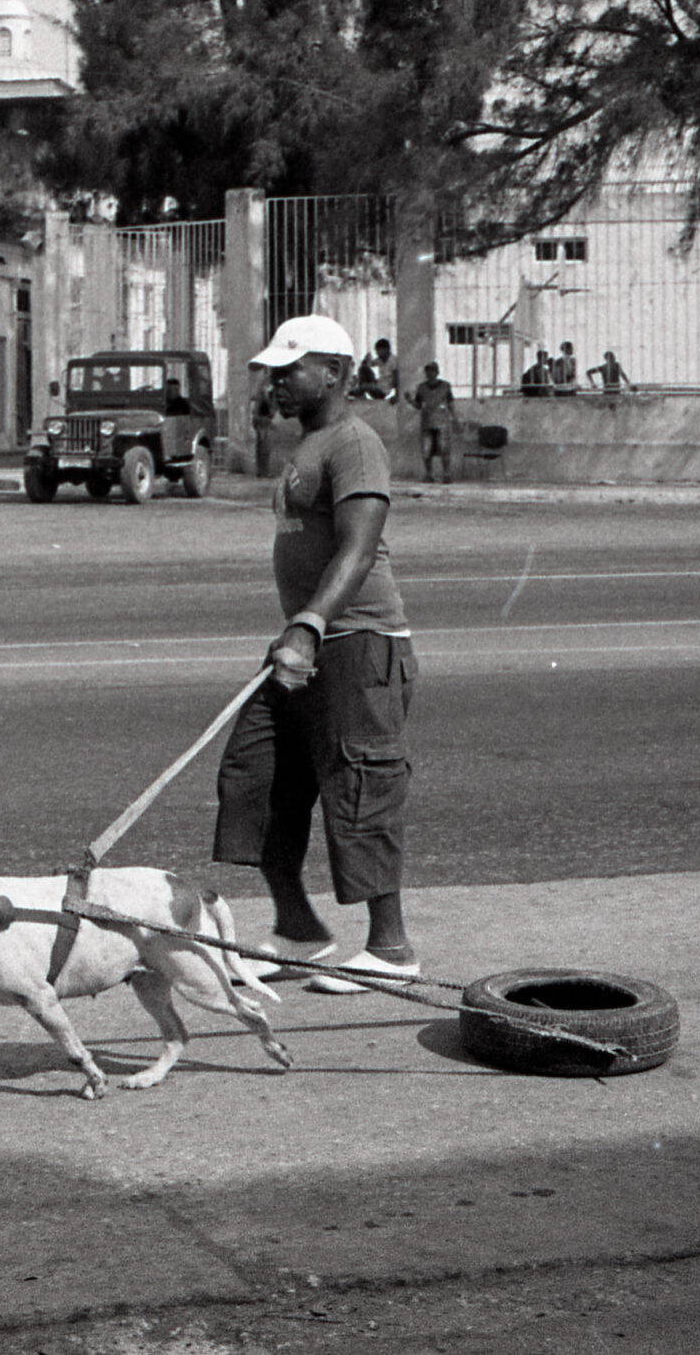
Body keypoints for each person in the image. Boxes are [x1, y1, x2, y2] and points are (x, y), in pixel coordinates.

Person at [214, 312, 420, 994]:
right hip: (303, 646)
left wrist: (307, 624)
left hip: (357, 643)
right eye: (272, 370)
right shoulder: (306, 445)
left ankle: (390, 949)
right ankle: (299, 928)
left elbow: (358, 547)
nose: (275, 381)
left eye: (289, 369)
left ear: (333, 371)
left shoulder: (356, 444)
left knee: (359, 789)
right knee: (257, 778)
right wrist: (298, 635)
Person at [407, 360, 455, 482]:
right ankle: (429, 474)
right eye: (428, 371)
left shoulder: (445, 386)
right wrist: (410, 401)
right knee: (426, 450)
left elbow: (450, 403)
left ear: (437, 372)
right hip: (427, 422)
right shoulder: (422, 388)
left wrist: (454, 418)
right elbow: (418, 405)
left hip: (442, 422)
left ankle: (446, 474)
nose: (430, 373)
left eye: (432, 371)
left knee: (444, 449)